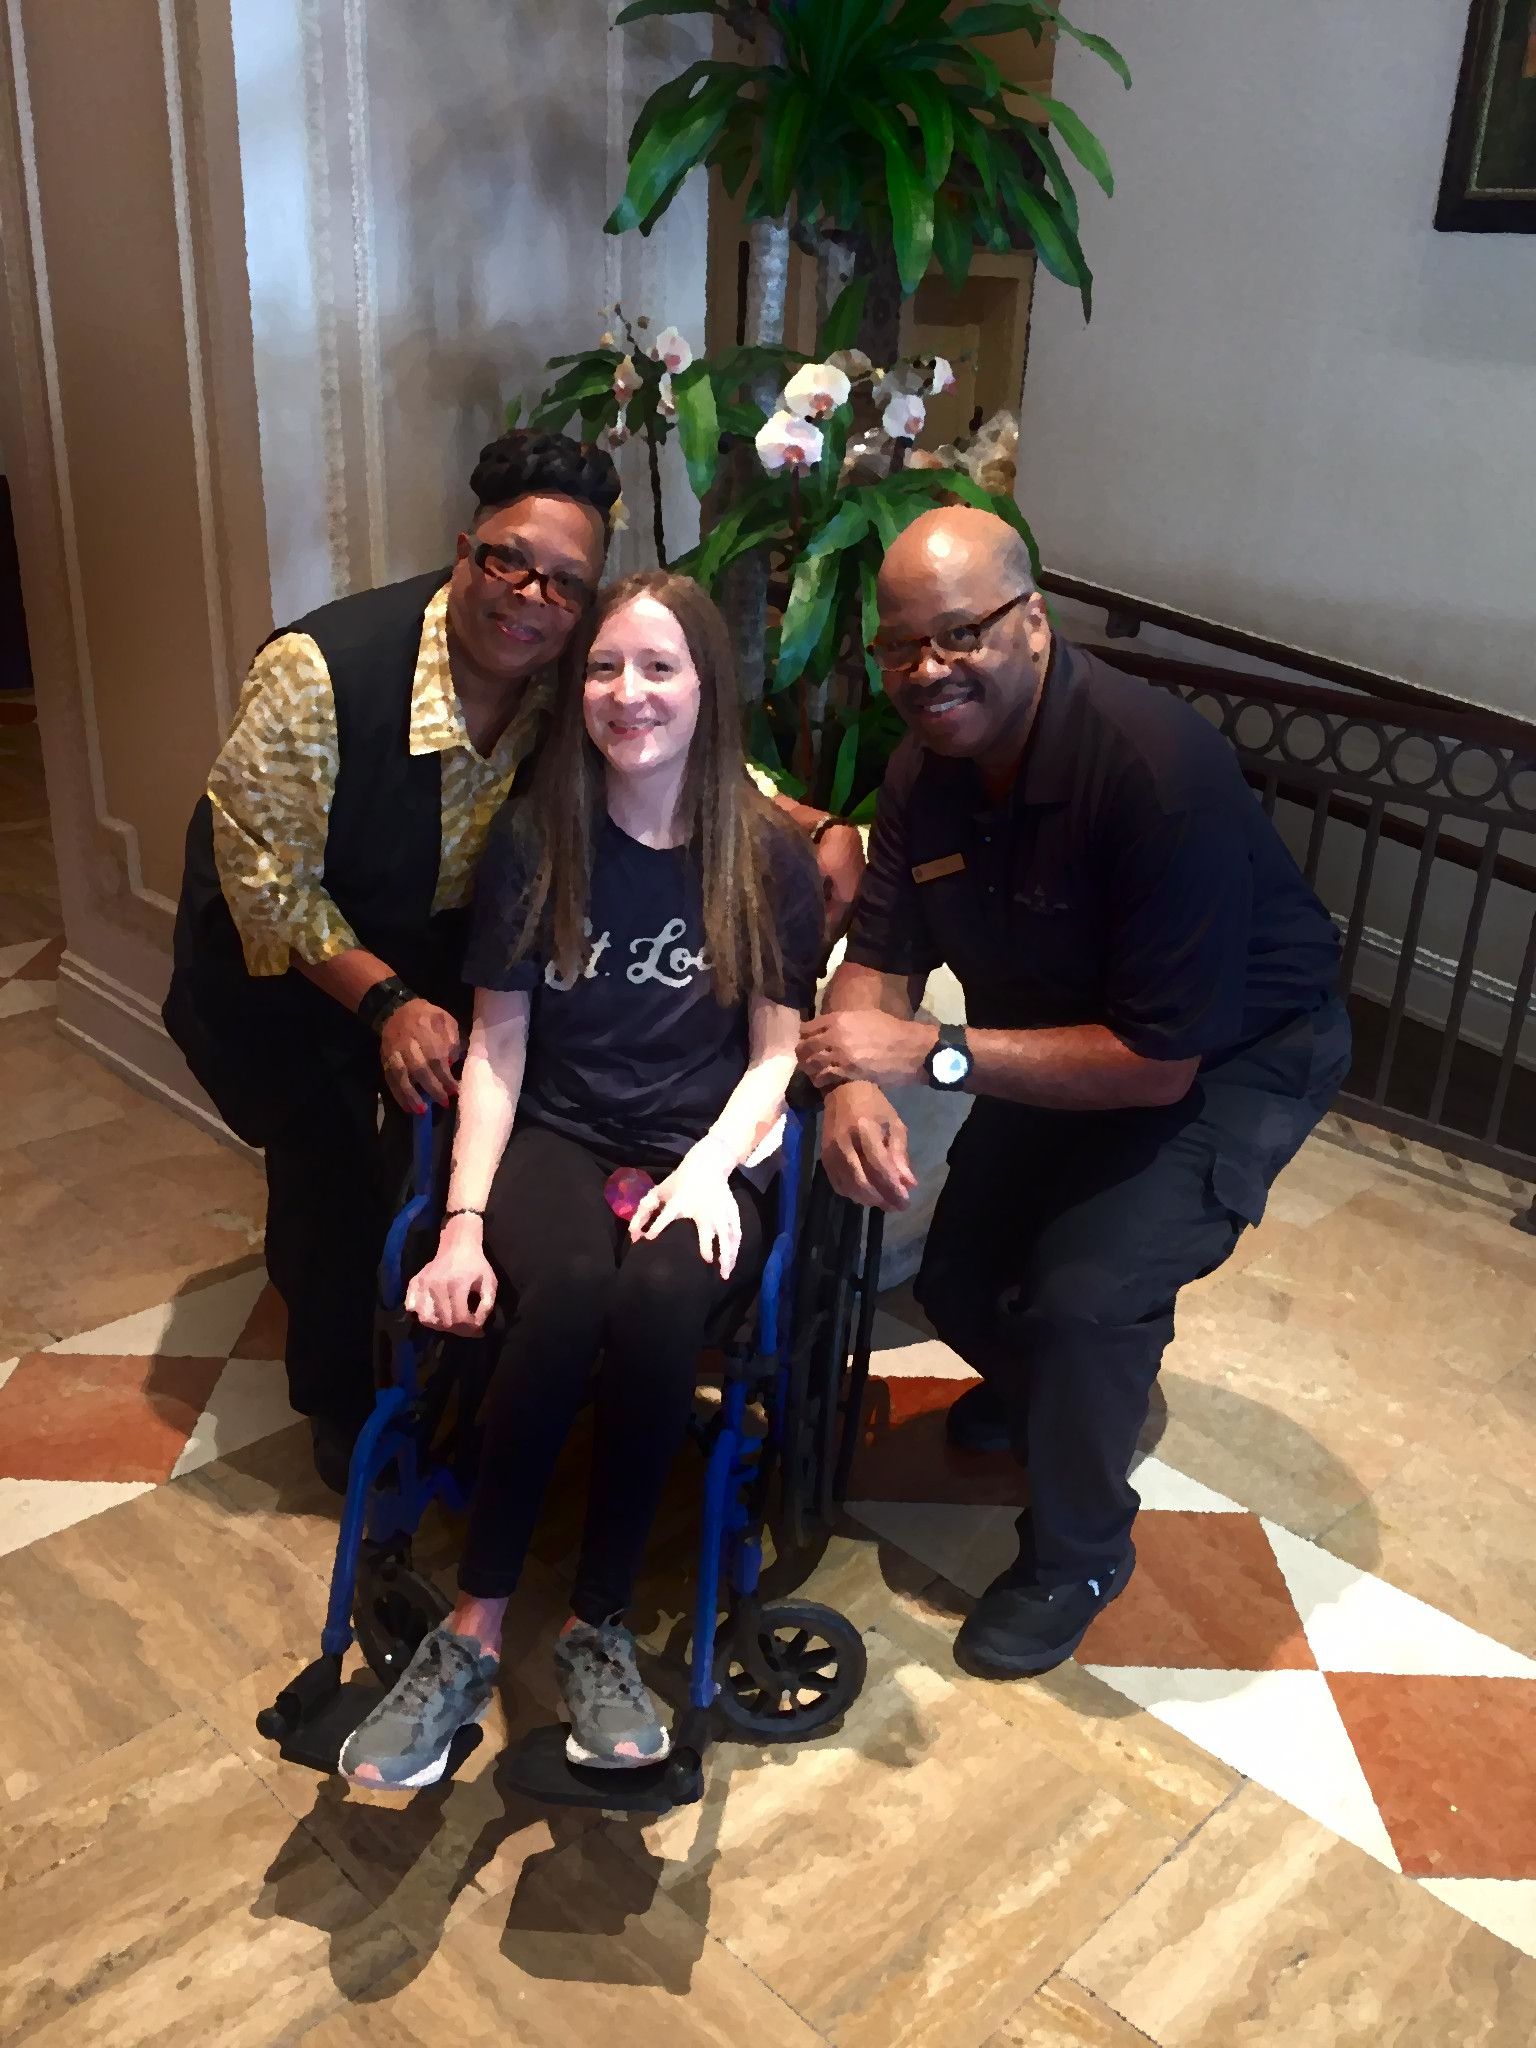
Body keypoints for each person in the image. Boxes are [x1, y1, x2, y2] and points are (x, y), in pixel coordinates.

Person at [163, 432, 860, 1490]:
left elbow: (692, 748)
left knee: (443, 1144)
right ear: (464, 550)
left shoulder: (562, 677)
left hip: (434, 951)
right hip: (283, 971)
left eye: (565, 581)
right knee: (334, 1176)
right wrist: (387, 1000)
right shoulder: (320, 671)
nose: (530, 595)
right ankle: (341, 1401)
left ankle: (474, 1348)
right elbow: (268, 880)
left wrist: (814, 824)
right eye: (507, 559)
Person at [799, 506, 1350, 1680]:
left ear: (1033, 620)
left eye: (960, 634)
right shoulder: (923, 770)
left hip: (1235, 1051)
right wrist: (851, 1075)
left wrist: (934, 1052)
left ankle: (1078, 1551)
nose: (926, 670)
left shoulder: (1155, 771)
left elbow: (1157, 1062)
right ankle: (1047, 1396)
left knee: (1087, 1295)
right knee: (954, 1274)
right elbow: (880, 955)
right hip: (1055, 1034)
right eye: (901, 646)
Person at [337, 570, 823, 1789]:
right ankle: (475, 1631)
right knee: (555, 1290)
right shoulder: (537, 835)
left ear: (708, 687)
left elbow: (775, 1055)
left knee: (661, 1298)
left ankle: (597, 1624)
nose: (629, 693)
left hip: (702, 1144)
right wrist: (458, 1224)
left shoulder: (765, 855)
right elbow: (498, 1047)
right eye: (606, 668)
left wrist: (713, 1166)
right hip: (557, 1131)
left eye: (659, 667)